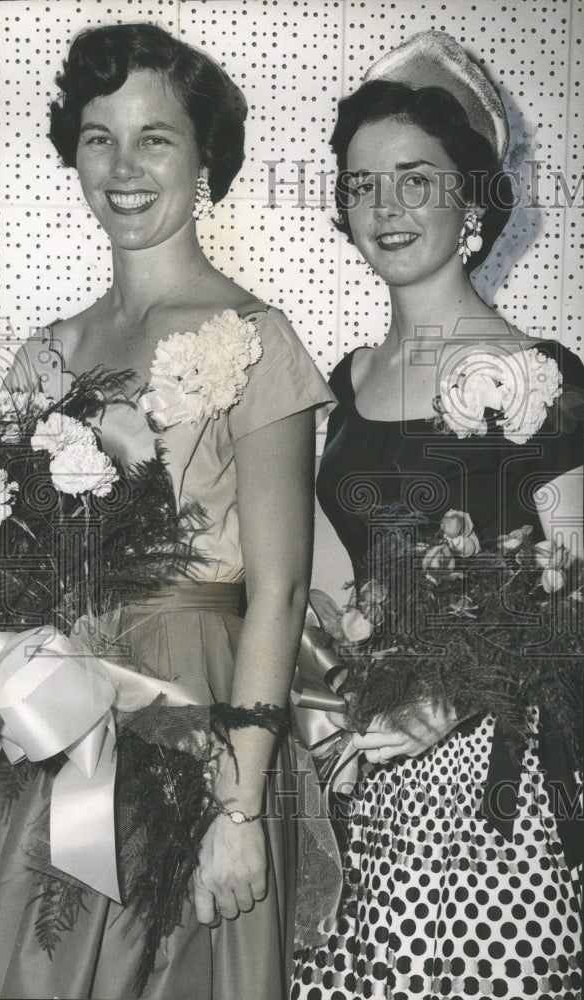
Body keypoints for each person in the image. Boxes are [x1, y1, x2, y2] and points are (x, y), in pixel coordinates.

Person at [0, 22, 335, 1000]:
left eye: (155, 138)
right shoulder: (43, 357)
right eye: (100, 137)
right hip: (64, 723)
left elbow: (283, 586)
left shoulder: (256, 338)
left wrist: (238, 807)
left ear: (203, 156)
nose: (124, 167)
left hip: (203, 724)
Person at [291, 32, 583, 1000]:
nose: (385, 207)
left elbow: (576, 591)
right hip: (368, 783)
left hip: (503, 780)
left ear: (470, 199)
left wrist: (451, 700)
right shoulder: (338, 389)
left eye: (416, 179)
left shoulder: (544, 377)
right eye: (361, 183)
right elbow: (329, 597)